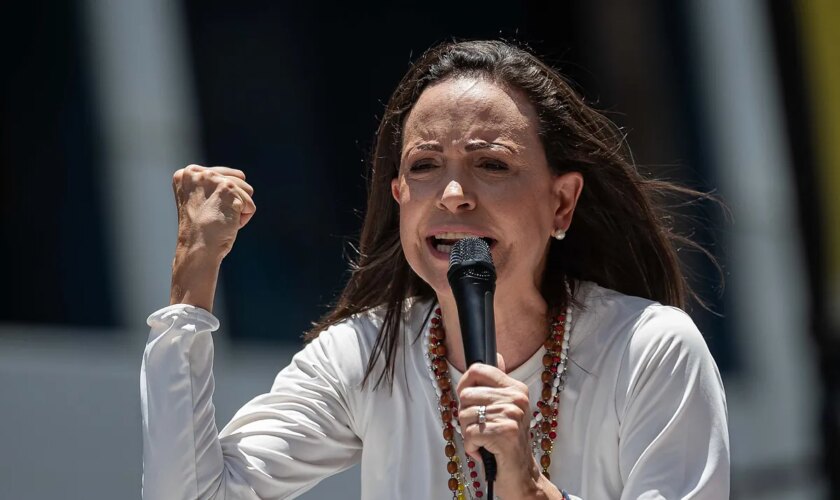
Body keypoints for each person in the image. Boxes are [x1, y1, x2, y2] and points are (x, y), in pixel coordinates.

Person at [141, 40, 729, 499]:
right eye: (424, 166)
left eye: (491, 164)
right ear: (399, 196)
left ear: (562, 203)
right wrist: (193, 279)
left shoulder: (650, 348)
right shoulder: (366, 353)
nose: (452, 194)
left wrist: (530, 490)